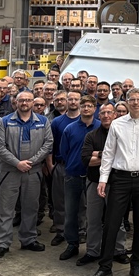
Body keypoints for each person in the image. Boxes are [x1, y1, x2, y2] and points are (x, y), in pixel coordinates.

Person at [84, 89, 139, 276]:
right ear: (126, 102)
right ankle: (105, 267)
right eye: (132, 99)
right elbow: (109, 153)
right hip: (120, 178)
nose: (135, 103)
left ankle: (137, 265)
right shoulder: (117, 124)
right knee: (111, 222)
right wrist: (103, 179)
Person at [0, 90, 53, 258]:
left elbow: (48, 144)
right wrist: (17, 163)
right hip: (10, 171)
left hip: (33, 171)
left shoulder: (43, 122)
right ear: (16, 103)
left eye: (28, 100)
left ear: (33, 103)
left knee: (31, 207)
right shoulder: (5, 121)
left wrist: (31, 162)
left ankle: (28, 239)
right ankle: (2, 243)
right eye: (21, 100)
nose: (25, 103)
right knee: (5, 209)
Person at [77, 104, 129, 267]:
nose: (106, 115)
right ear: (99, 116)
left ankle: (119, 250)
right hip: (94, 182)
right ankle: (93, 251)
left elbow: (125, 157)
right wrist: (109, 156)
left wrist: (98, 154)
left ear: (115, 115)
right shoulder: (91, 136)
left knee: (117, 220)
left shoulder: (123, 134)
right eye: (103, 113)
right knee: (93, 219)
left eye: (109, 112)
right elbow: (86, 160)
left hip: (117, 184)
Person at [57, 95, 100, 261]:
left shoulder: (101, 128)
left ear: (95, 108)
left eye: (89, 106)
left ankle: (94, 247)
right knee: (71, 212)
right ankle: (72, 244)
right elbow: (64, 152)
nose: (86, 108)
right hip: (73, 175)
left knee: (94, 214)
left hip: (94, 177)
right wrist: (73, 165)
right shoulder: (70, 129)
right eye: (84, 106)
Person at [48, 90, 82, 246]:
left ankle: (81, 231)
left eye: (76, 99)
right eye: (70, 99)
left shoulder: (88, 120)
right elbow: (50, 144)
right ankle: (61, 231)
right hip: (61, 166)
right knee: (60, 202)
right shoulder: (57, 122)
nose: (73, 102)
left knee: (82, 203)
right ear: (66, 101)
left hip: (82, 168)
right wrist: (50, 165)